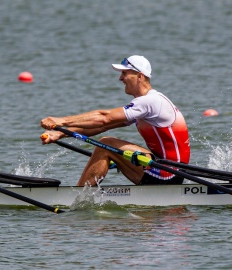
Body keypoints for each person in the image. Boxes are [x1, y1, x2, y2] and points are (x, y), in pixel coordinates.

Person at [40, 55, 190, 186]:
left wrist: (62, 121)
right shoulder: (148, 103)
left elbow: (104, 118)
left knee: (106, 144)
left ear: (140, 76)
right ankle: (84, 193)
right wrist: (60, 134)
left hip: (168, 173)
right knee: (106, 143)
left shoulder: (150, 102)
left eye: (125, 73)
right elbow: (102, 126)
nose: (120, 78)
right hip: (169, 169)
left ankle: (78, 195)